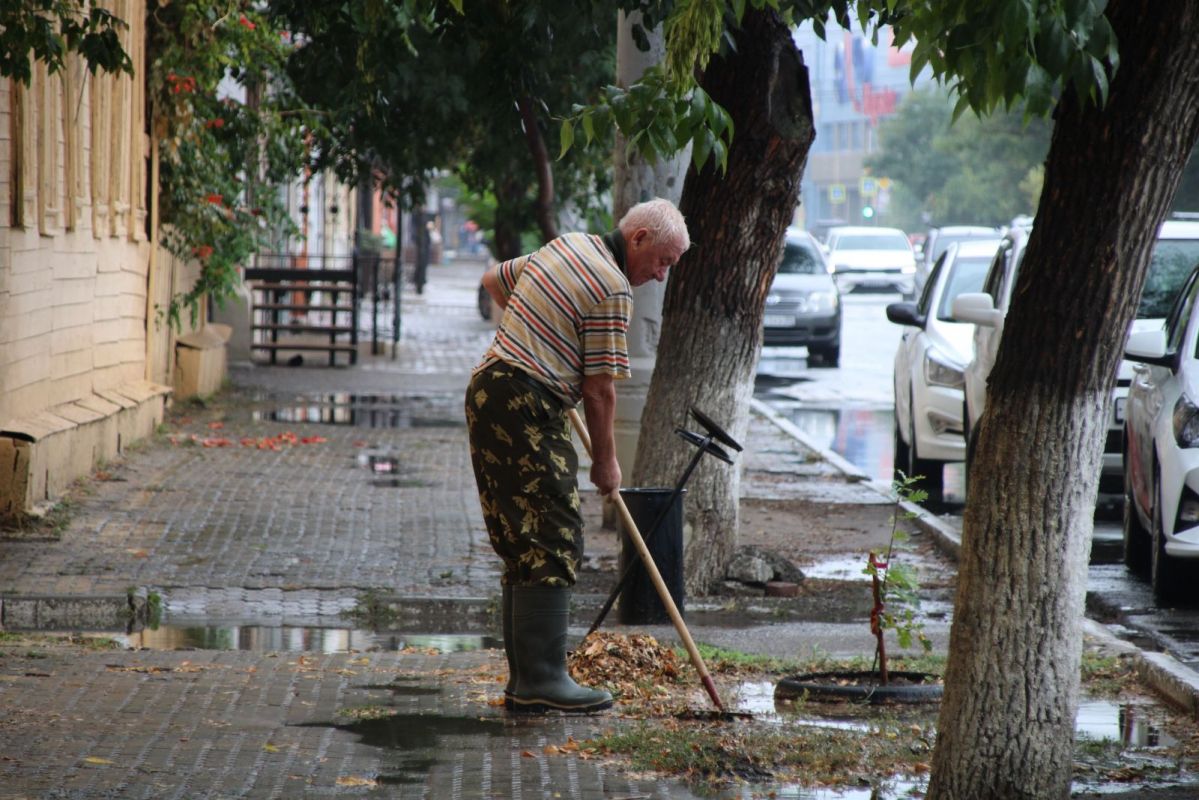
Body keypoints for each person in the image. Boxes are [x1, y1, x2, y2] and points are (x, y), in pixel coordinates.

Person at [464, 198, 690, 713]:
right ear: (637, 239)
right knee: (553, 533)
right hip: (525, 402)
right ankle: (543, 679)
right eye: (662, 261)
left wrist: (542, 339)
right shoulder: (612, 287)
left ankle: (527, 680)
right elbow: (600, 390)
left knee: (521, 537)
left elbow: (495, 281)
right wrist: (606, 463)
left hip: (489, 389)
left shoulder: (569, 245)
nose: (660, 275)